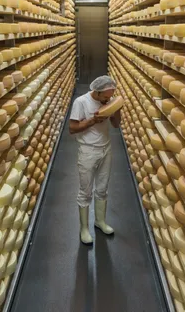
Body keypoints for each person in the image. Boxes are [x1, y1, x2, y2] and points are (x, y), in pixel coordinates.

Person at [69, 75, 121, 245]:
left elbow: (116, 125)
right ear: (96, 92)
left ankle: (100, 221)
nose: (108, 99)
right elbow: (72, 128)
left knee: (103, 188)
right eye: (106, 97)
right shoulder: (81, 102)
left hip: (106, 149)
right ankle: (84, 228)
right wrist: (92, 121)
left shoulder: (109, 101)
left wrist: (116, 109)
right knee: (85, 191)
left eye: (111, 96)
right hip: (87, 151)